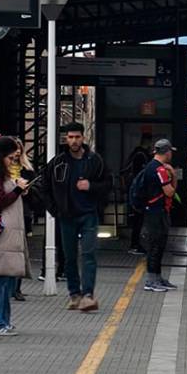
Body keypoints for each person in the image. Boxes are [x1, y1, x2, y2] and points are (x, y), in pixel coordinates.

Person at [40, 122, 111, 312]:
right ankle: (74, 294)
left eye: (77, 137)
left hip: (88, 214)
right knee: (69, 257)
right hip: (67, 215)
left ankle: (88, 295)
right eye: (70, 137)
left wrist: (91, 187)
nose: (74, 141)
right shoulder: (57, 162)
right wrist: (55, 211)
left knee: (89, 254)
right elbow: (44, 188)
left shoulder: (95, 161)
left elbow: (107, 184)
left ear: (83, 138)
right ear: (66, 139)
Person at [0, 135, 32, 335]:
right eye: (10, 158)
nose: (12, 162)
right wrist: (17, 190)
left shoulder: (1, 173)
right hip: (1, 234)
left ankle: (3, 321)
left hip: (7, 235)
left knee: (4, 280)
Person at [140, 139, 178, 293]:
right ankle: (151, 281)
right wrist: (174, 176)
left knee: (158, 245)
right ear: (167, 152)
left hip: (154, 210)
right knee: (155, 246)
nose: (171, 154)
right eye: (171, 152)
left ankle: (156, 277)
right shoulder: (159, 170)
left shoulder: (151, 167)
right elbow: (170, 192)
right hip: (156, 212)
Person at [9, 138, 36, 301]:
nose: (17, 151)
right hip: (4, 212)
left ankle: (16, 287)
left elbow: (36, 194)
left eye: (20, 148)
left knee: (19, 250)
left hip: (22, 212)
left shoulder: (27, 169)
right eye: (14, 148)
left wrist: (27, 191)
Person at [121, 133, 152, 255]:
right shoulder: (141, 155)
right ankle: (134, 244)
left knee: (137, 219)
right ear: (147, 142)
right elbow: (141, 175)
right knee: (138, 219)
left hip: (133, 190)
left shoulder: (135, 153)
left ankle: (135, 243)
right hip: (137, 192)